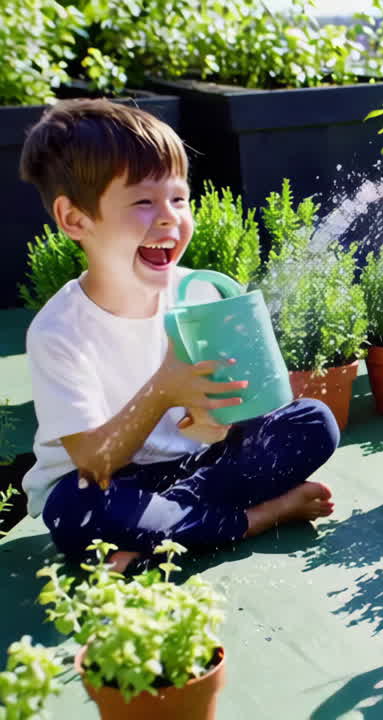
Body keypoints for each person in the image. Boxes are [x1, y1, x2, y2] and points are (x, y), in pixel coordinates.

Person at [19, 99, 338, 573]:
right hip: (104, 481)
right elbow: (94, 459)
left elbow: (226, 414)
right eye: (144, 202)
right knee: (76, 509)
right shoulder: (60, 331)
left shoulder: (200, 291)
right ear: (75, 220)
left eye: (179, 199)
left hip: (197, 469)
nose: (169, 218)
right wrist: (164, 388)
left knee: (313, 421)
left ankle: (160, 534)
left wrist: (217, 417)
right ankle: (257, 517)